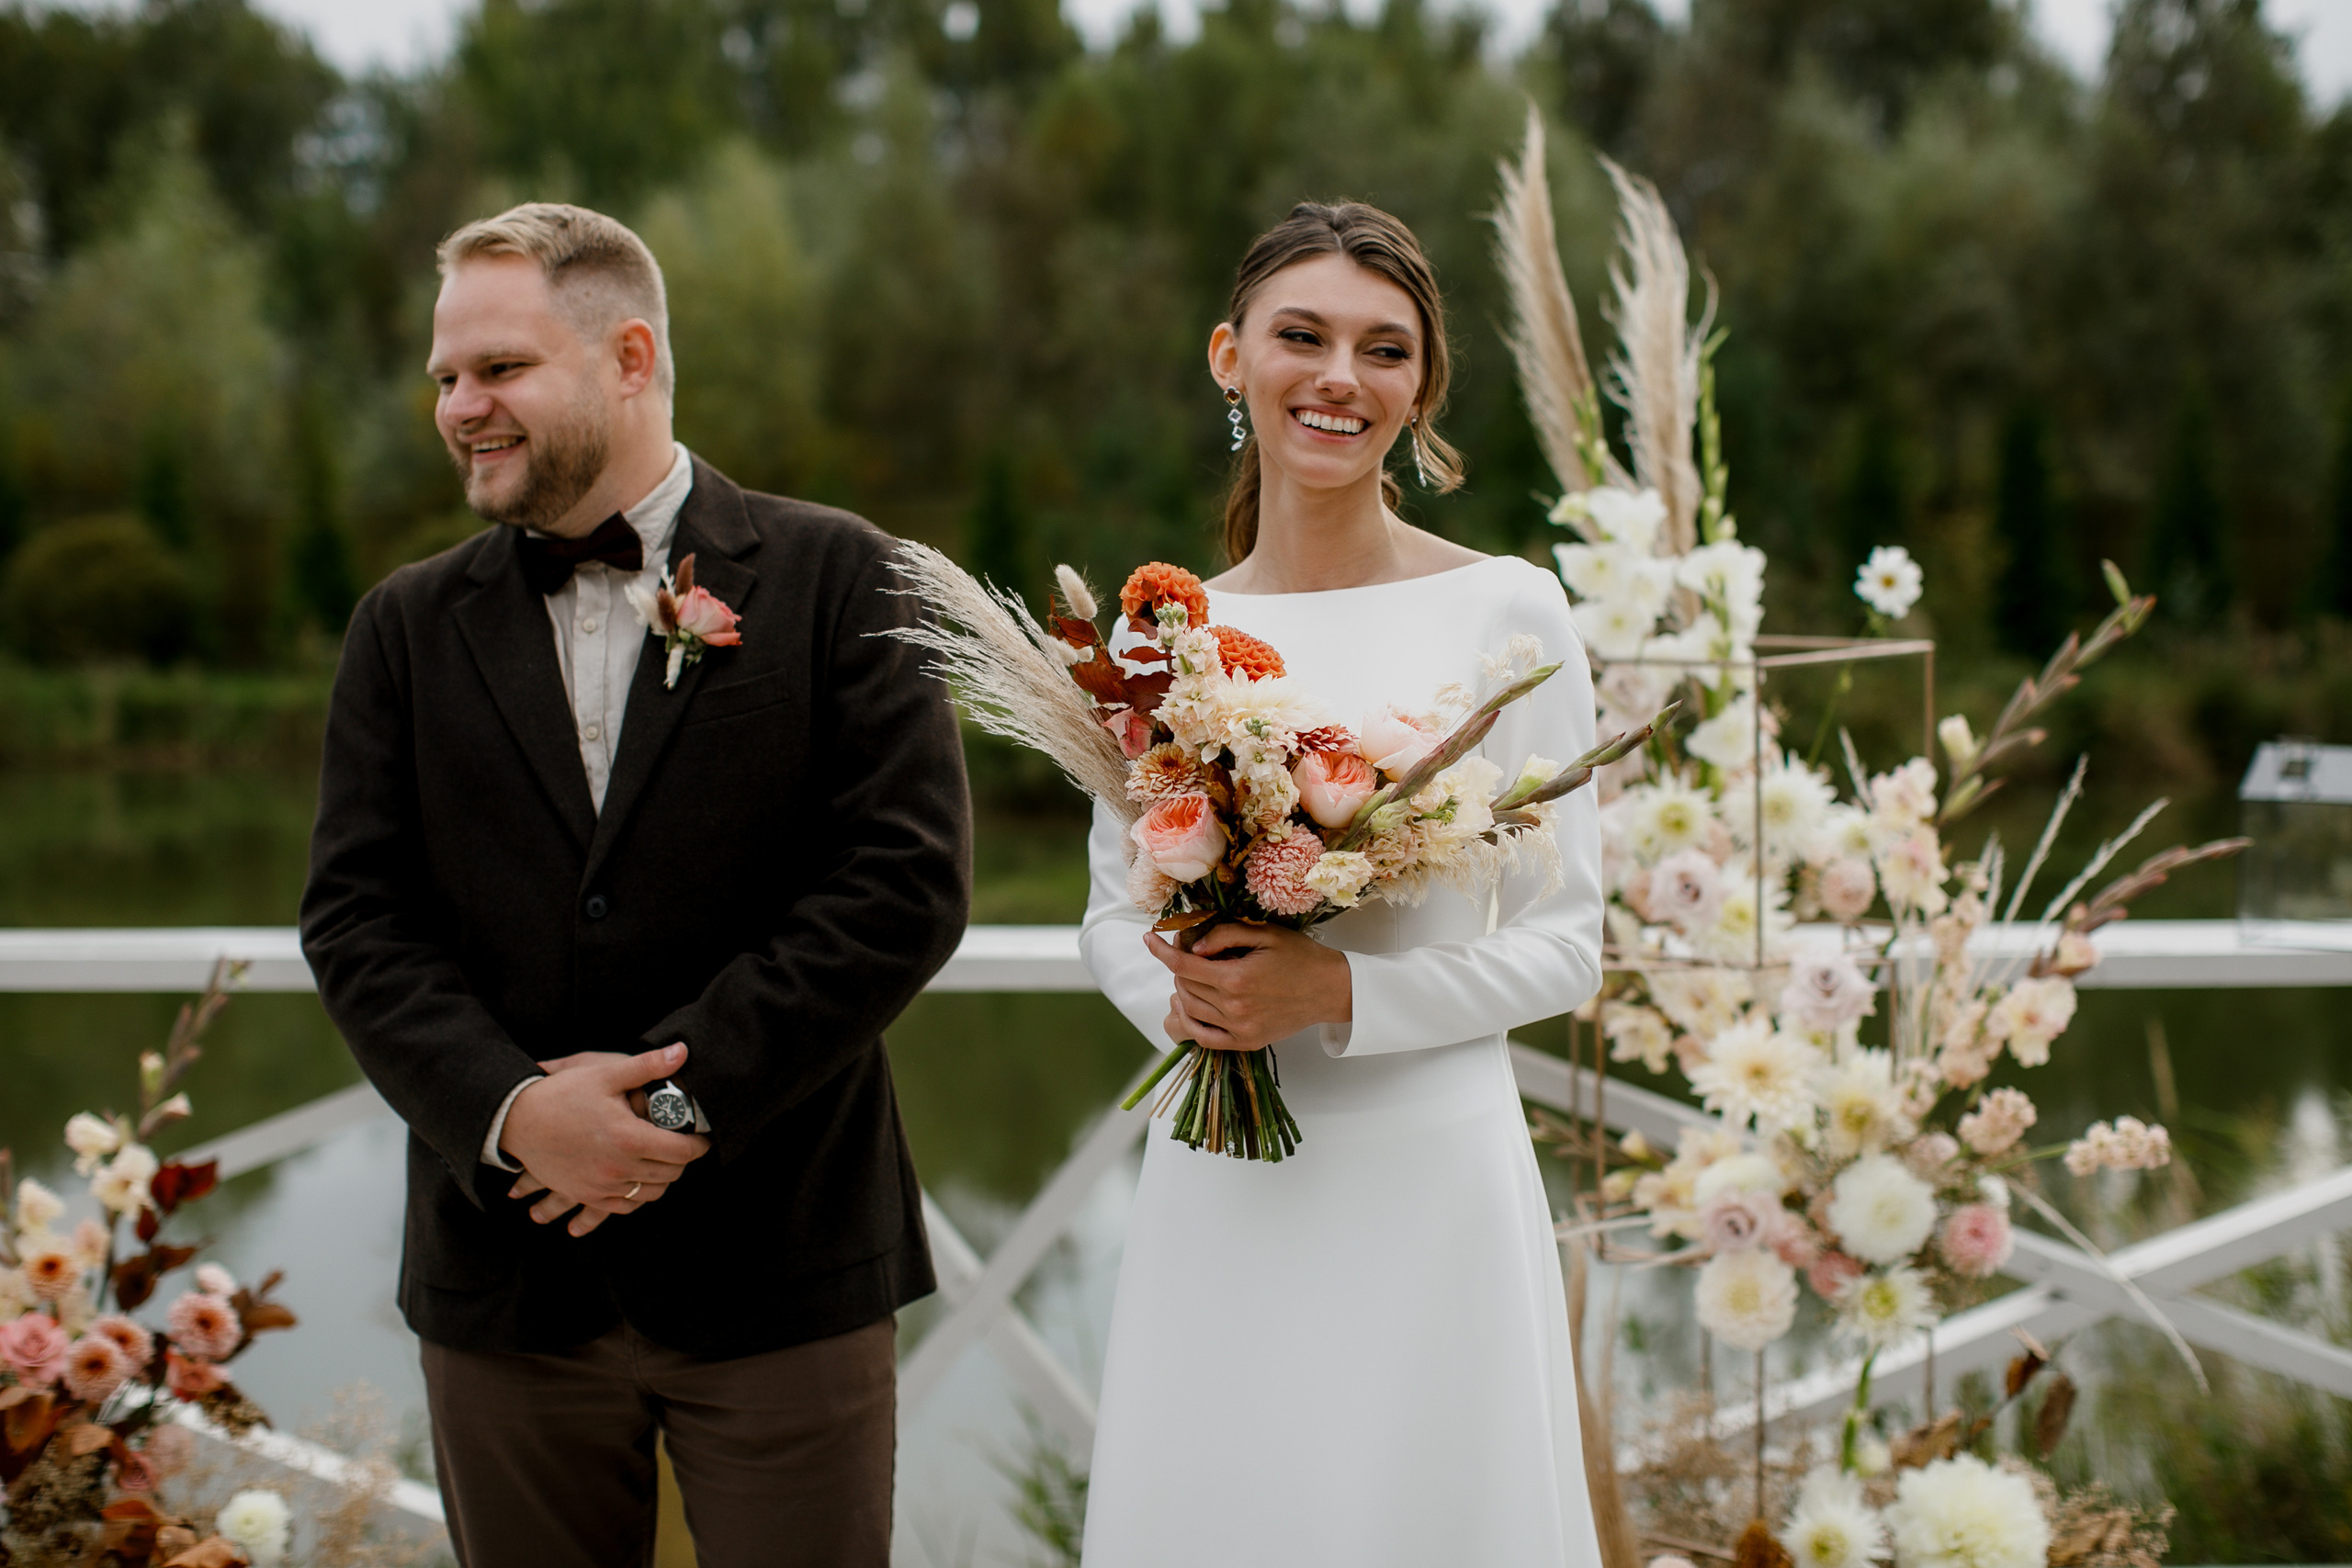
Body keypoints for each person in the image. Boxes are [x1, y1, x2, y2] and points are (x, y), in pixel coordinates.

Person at [299, 202, 971, 1567]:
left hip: (782, 1268)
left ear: (630, 356)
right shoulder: (402, 630)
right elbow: (358, 920)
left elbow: (904, 884)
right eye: (445, 377)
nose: (460, 406)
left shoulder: (845, 576)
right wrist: (516, 1113)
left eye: (499, 369)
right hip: (504, 1283)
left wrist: (672, 1104)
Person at [1076, 202, 1607, 1564]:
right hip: (1225, 1171)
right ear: (1227, 357)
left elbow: (1568, 943)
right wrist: (1196, 1006)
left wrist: (1337, 990)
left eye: (1385, 351)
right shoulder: (1165, 631)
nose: (1339, 378)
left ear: (1420, 387)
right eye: (1300, 337)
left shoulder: (1511, 612)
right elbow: (1110, 912)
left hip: (1431, 1170)